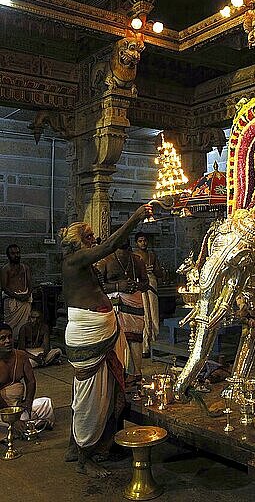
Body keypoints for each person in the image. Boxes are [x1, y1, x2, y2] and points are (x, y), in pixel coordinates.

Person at [59, 203, 152, 478]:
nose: (94, 241)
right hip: (89, 336)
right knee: (91, 398)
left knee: (108, 391)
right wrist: (136, 216)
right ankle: (85, 456)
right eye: (88, 237)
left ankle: (91, 445)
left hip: (105, 334)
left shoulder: (86, 266)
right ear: (77, 243)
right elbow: (109, 245)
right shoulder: (74, 261)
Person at [97, 240, 149, 387]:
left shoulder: (137, 260)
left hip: (134, 302)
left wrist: (135, 285)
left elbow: (145, 283)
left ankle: (135, 372)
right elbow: (98, 286)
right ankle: (119, 371)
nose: (124, 253)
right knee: (117, 340)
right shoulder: (105, 261)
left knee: (135, 339)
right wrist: (118, 286)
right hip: (115, 305)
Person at [0, 322, 54, 440]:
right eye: (2, 338)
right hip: (2, 410)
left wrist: (28, 402)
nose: (8, 341)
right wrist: (12, 418)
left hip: (18, 407)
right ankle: (26, 425)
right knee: (17, 421)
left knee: (46, 403)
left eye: (9, 337)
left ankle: (22, 426)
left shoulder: (21, 355)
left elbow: (31, 381)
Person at [133, 232, 163, 357]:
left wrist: (153, 270)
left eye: (144, 240)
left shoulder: (152, 255)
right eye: (140, 241)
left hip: (152, 282)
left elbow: (159, 272)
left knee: (154, 314)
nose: (143, 243)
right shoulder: (134, 255)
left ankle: (154, 345)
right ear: (136, 243)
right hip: (140, 284)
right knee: (145, 315)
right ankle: (145, 347)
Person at [0, 245, 33, 343]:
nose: (16, 255)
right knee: (11, 326)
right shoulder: (5, 269)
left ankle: (23, 345)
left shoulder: (25, 268)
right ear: (8, 255)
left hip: (25, 301)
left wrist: (27, 295)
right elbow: (4, 288)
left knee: (25, 324)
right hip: (12, 301)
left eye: (18, 253)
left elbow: (30, 284)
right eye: (13, 253)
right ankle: (10, 344)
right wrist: (17, 297)